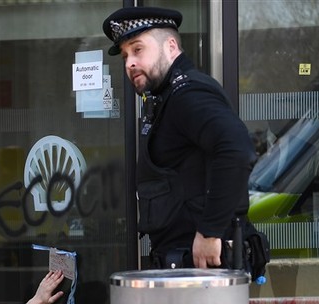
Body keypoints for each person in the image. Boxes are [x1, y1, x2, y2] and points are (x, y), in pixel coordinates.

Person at [102, 7, 259, 271]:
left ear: (171, 47)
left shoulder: (188, 94)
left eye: (138, 49)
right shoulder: (167, 97)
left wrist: (210, 231)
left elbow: (236, 149)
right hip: (187, 271)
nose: (129, 62)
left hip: (204, 271)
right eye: (126, 55)